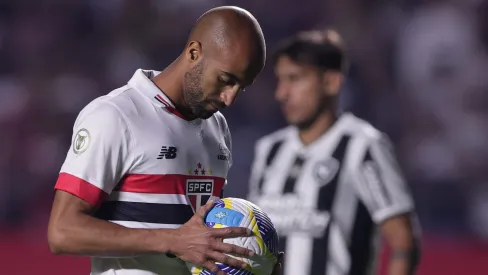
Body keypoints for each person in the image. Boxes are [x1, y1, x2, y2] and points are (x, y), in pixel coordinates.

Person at [47, 6, 278, 275]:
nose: (230, 98)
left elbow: (200, 243)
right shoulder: (116, 115)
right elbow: (62, 232)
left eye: (242, 87)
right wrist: (172, 240)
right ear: (194, 53)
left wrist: (256, 264)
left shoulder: (217, 127)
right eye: (226, 80)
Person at [248, 29, 421, 275]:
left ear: (331, 82)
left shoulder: (362, 146)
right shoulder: (269, 149)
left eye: (295, 79)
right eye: (280, 80)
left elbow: (403, 241)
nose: (282, 93)